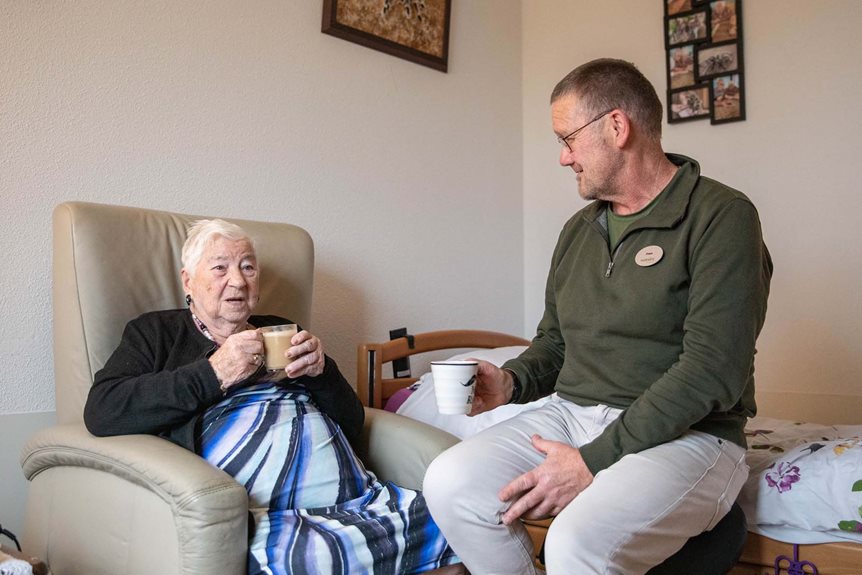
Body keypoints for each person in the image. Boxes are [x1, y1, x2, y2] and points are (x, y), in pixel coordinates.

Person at [423, 58, 772, 574]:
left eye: (567, 139)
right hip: (573, 414)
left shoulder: (721, 217)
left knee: (575, 541)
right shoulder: (578, 231)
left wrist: (592, 461)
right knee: (448, 480)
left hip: (692, 433)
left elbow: (712, 370)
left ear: (616, 126)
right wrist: (511, 382)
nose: (563, 158)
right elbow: (555, 343)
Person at [84, 219, 463, 575]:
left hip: (357, 495)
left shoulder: (280, 329)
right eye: (220, 268)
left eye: (248, 267)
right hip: (269, 511)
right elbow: (104, 410)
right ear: (188, 280)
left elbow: (350, 421)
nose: (238, 280)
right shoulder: (157, 332)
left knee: (451, 523)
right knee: (310, 556)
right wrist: (215, 372)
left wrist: (322, 372)